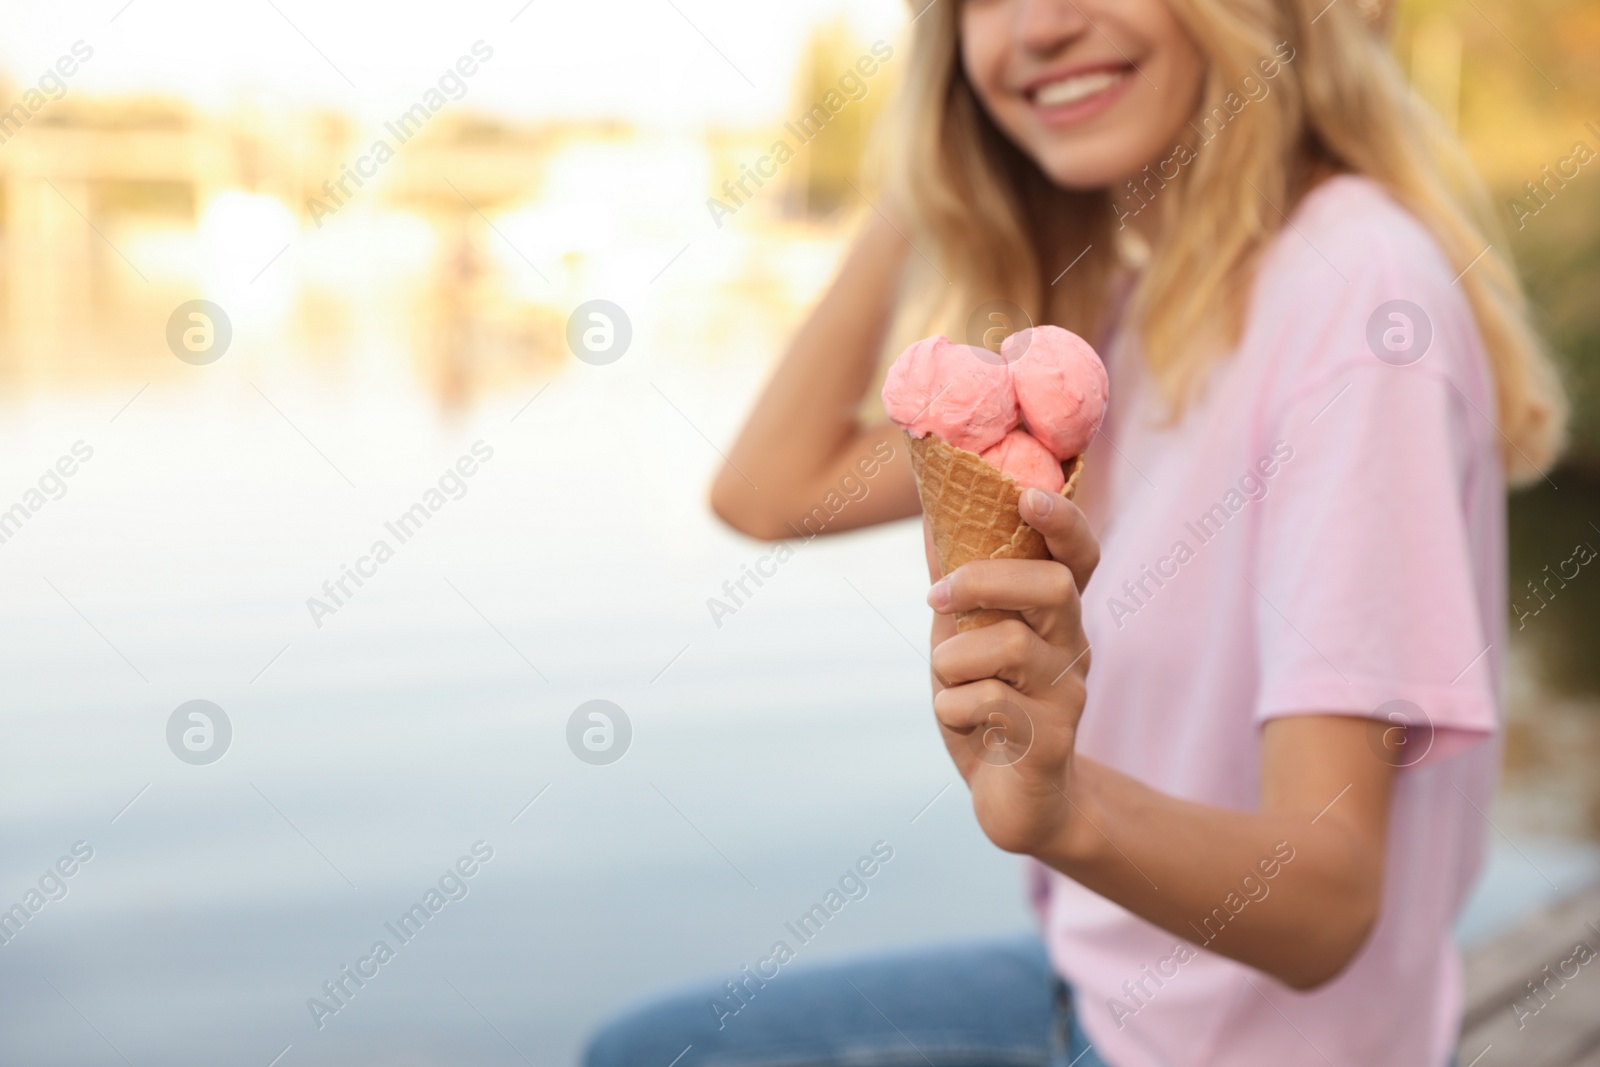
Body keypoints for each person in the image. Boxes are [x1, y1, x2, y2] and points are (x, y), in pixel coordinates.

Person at [585, 0, 1566, 1064]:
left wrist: (1060, 810)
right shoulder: (1137, 304)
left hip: (1217, 1045)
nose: (1038, 25)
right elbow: (770, 490)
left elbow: (1326, 905)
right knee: (649, 1045)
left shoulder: (1358, 302)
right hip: (1104, 982)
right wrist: (940, 157)